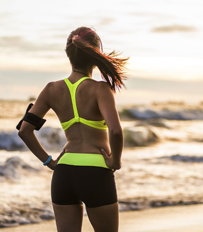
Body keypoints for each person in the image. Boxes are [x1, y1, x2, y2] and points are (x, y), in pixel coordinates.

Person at [18, 26, 128, 232]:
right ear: (95, 56)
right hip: (96, 173)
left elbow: (24, 131)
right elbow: (115, 131)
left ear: (69, 54)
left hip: (63, 174)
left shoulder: (51, 89)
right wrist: (115, 161)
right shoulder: (100, 89)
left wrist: (49, 162)